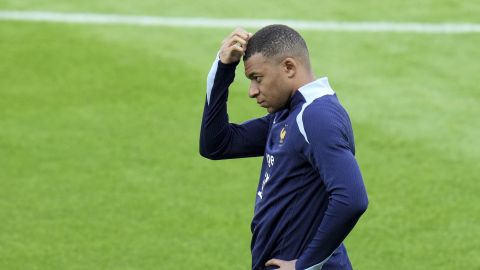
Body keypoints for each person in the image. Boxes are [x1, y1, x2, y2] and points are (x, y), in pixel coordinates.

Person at [199, 25, 368, 270]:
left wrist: (305, 265)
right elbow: (216, 145)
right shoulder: (288, 114)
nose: (252, 91)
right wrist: (223, 67)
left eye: (257, 78)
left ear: (288, 67)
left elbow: (352, 198)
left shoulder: (315, 117)